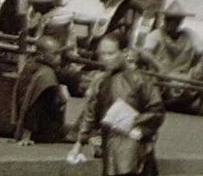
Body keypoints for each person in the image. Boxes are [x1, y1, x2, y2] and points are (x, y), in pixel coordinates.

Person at [68, 31, 164, 175]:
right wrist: (79, 143)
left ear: (124, 52)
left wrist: (137, 125)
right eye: (102, 54)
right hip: (110, 144)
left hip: (135, 144)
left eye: (111, 53)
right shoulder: (101, 81)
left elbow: (157, 110)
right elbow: (91, 113)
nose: (106, 58)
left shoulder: (140, 80)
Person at [139, 2, 203, 109]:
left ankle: (194, 102)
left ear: (180, 22)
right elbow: (145, 52)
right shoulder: (156, 34)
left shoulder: (189, 35)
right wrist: (159, 67)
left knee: (198, 76)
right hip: (160, 76)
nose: (169, 23)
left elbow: (202, 53)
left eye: (173, 20)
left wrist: (199, 66)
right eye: (167, 19)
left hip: (183, 76)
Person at [14, 35, 69, 145]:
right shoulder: (46, 75)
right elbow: (35, 104)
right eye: (55, 54)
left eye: (59, 54)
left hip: (25, 124)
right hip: (43, 130)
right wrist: (26, 135)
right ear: (41, 55)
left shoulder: (32, 64)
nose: (59, 57)